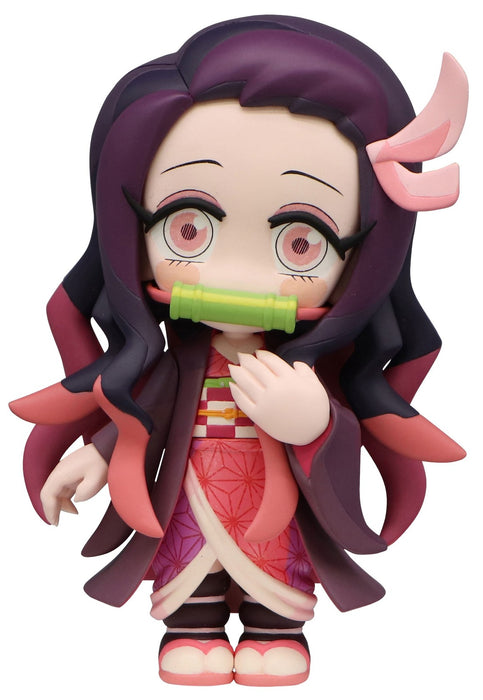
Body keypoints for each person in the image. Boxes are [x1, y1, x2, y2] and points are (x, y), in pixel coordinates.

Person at [10, 15, 468, 686]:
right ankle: (191, 625)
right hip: (193, 484)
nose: (238, 276)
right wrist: (99, 454)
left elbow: (341, 432)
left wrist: (316, 423)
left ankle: (272, 626)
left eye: (301, 242)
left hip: (270, 496)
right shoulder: (174, 359)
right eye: (188, 228)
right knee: (188, 548)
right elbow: (143, 410)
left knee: (274, 552)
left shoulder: (311, 367)